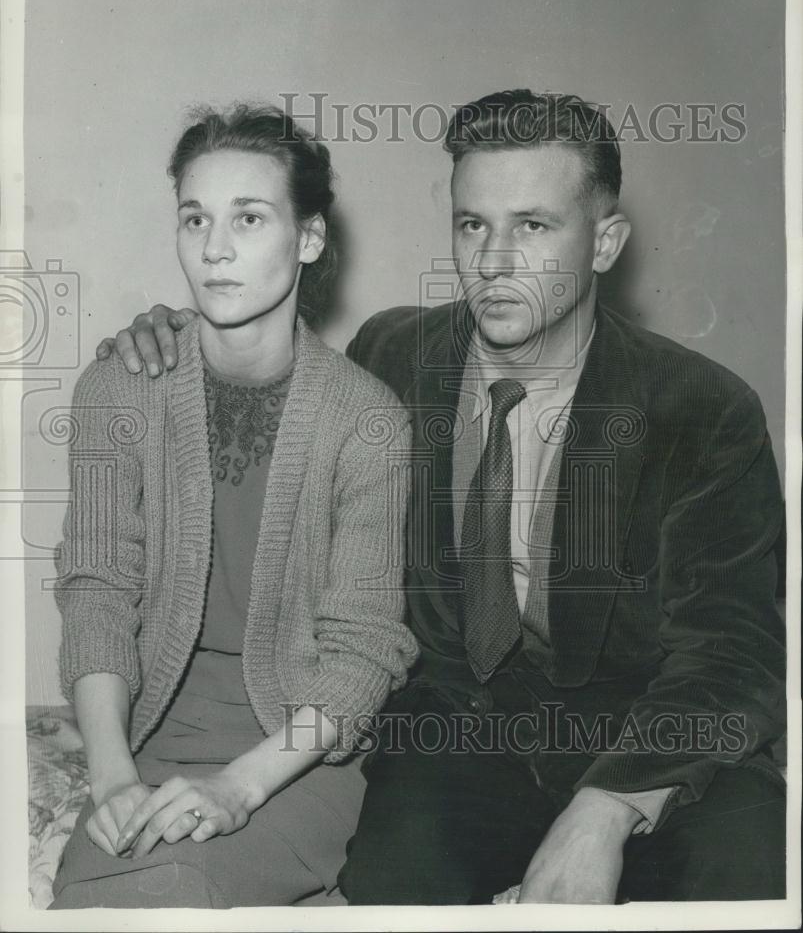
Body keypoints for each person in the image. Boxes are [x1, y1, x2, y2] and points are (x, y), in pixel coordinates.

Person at [98, 89, 786, 905]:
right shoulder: (391, 353)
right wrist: (174, 334)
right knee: (389, 888)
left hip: (644, 744)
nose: (492, 260)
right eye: (471, 225)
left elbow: (731, 657)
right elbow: (267, 354)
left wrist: (604, 811)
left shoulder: (702, 409)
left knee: (753, 876)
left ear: (603, 242)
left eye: (532, 226)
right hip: (453, 737)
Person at [50, 104, 417, 909]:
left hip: (293, 757)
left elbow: (361, 653)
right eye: (195, 219)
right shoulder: (119, 387)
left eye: (248, 218)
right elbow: (97, 593)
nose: (214, 248)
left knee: (180, 888)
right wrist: (110, 778)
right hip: (146, 737)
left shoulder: (368, 419)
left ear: (309, 238)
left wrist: (238, 789)